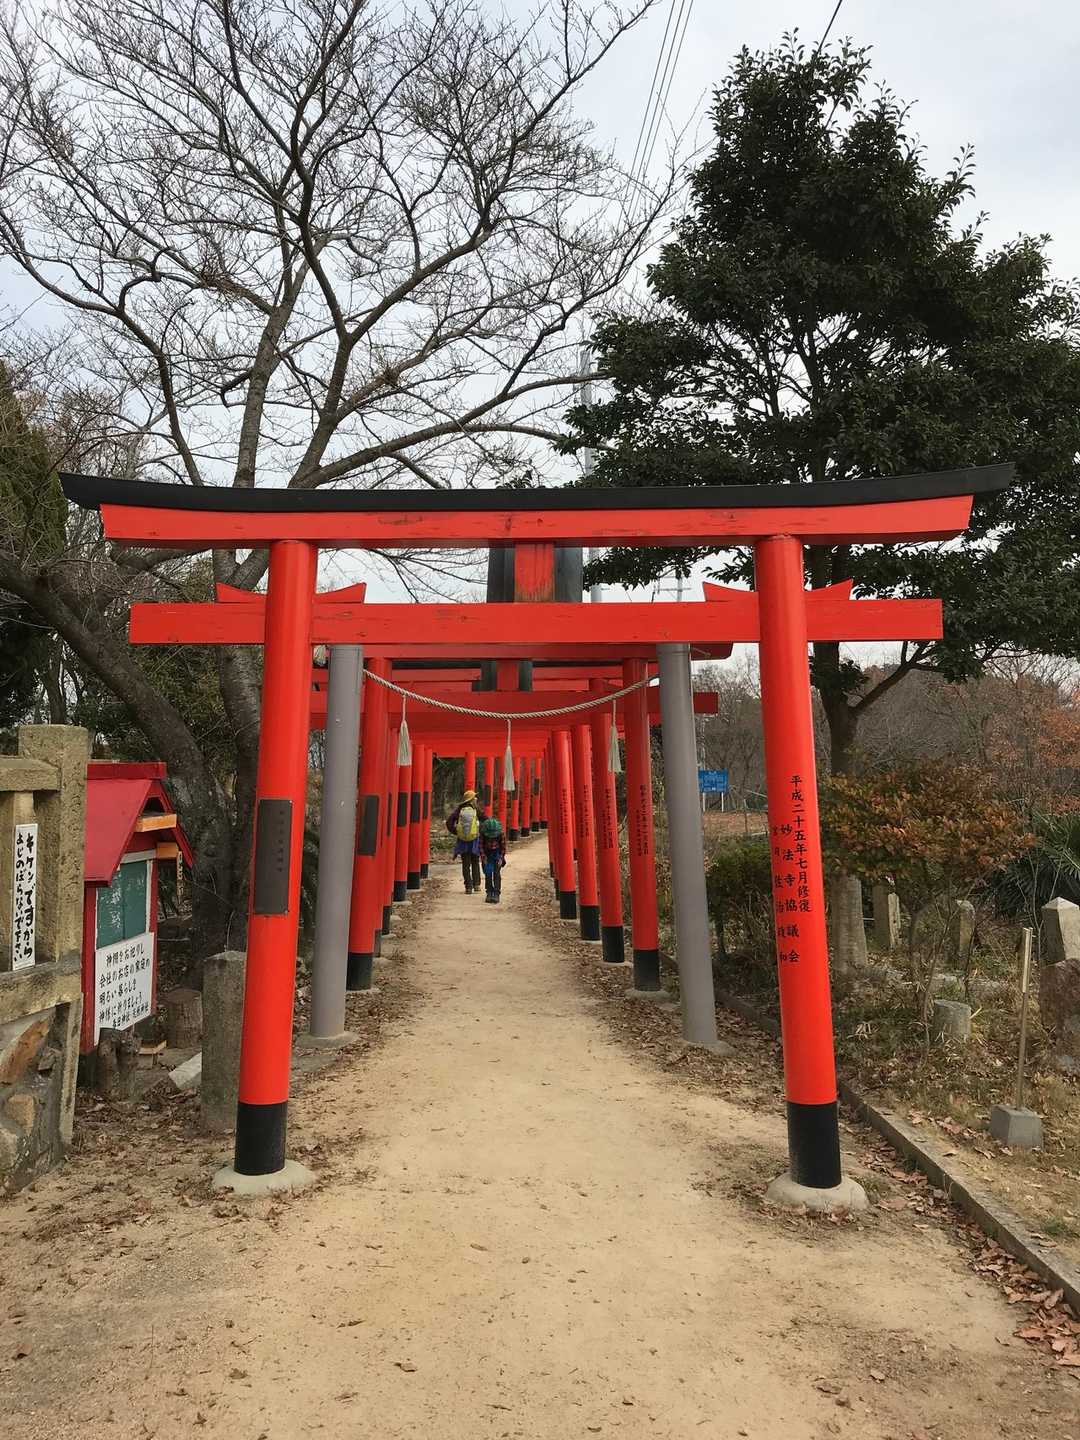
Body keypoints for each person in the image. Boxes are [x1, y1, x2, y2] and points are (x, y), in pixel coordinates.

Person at [446, 788, 484, 894]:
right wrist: (479, 830)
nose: (476, 799)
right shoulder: (476, 809)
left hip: (462, 841)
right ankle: (476, 885)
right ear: (472, 800)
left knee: (465, 864)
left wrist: (456, 832)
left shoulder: (459, 809)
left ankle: (468, 887)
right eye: (475, 797)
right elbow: (486, 819)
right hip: (474, 840)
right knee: (475, 862)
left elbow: (449, 822)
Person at [479, 815, 507, 904]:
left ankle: (496, 893)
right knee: (488, 874)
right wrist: (483, 857)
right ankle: (489, 892)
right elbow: (480, 846)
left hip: (497, 854)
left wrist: (501, 858)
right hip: (487, 854)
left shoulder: (501, 834)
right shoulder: (483, 833)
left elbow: (503, 848)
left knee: (496, 874)